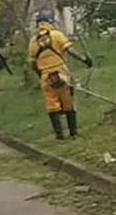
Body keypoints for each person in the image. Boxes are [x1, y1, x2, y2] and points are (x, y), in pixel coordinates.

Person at [28, 13, 91, 141]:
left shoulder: (33, 42)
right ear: (49, 23)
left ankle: (59, 135)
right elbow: (70, 51)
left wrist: (41, 75)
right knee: (68, 103)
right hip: (61, 72)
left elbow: (32, 63)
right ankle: (73, 133)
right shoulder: (57, 35)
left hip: (46, 76)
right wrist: (85, 60)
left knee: (52, 105)